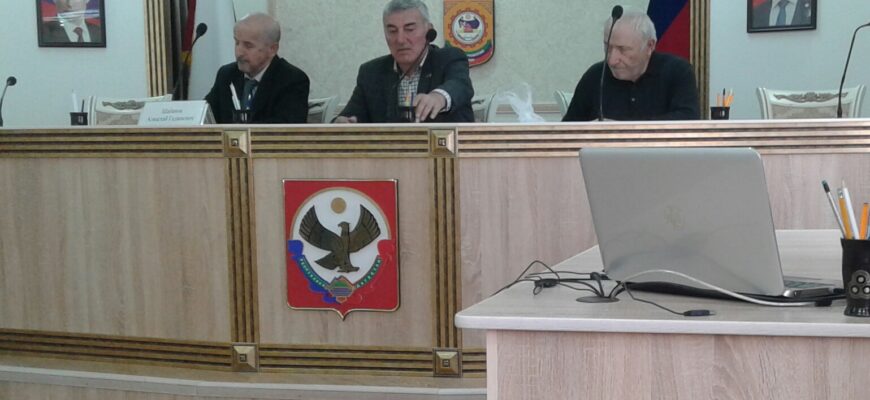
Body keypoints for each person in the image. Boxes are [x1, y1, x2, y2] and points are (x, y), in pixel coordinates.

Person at [335, 0, 474, 123]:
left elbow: (460, 85)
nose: (400, 40)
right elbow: (349, 116)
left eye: (409, 29)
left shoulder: (449, 58)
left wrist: (438, 97)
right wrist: (342, 123)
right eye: (392, 31)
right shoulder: (371, 73)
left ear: (429, 31)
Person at [562, 11, 699, 122]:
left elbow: (688, 120)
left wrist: (621, 130)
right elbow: (568, 131)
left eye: (623, 49)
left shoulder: (677, 72)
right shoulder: (596, 76)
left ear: (650, 46)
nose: (612, 60)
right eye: (608, 47)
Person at [205, 13, 310, 124]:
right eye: (237, 43)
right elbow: (204, 115)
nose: (239, 52)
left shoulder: (292, 80)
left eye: (248, 46)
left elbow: (286, 127)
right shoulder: (226, 75)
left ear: (272, 49)